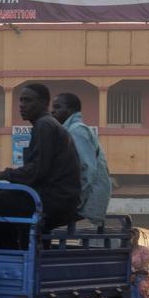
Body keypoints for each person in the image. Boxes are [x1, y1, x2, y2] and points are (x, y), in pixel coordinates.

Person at [0, 83, 81, 242]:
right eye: (21, 100)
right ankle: (11, 252)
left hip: (53, 200)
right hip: (59, 198)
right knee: (2, 203)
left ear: (44, 103)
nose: (22, 105)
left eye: (28, 100)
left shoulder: (44, 125)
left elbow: (36, 171)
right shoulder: (48, 124)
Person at [50, 92, 112, 227]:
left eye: (57, 107)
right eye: (53, 107)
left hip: (87, 203)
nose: (52, 111)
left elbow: (86, 169)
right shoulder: (69, 130)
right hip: (85, 202)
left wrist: (75, 202)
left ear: (71, 110)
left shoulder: (76, 130)